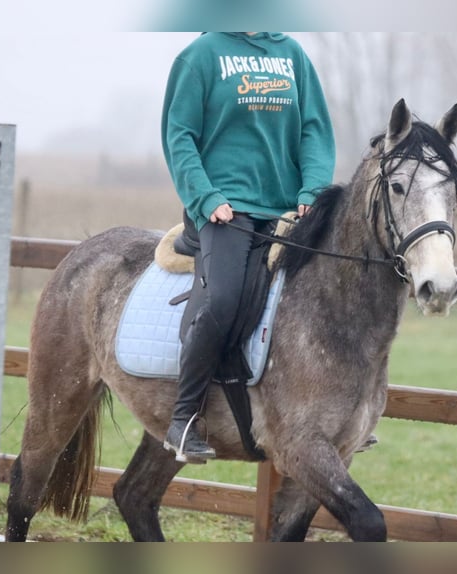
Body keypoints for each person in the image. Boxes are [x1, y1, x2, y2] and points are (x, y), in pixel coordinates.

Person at [160, 32, 336, 462]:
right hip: (225, 209)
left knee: (334, 290)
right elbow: (178, 136)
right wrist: (205, 197)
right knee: (223, 300)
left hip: (287, 209)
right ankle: (183, 420)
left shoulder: (292, 54)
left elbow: (314, 130)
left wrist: (313, 190)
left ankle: (338, 416)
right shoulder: (200, 55)